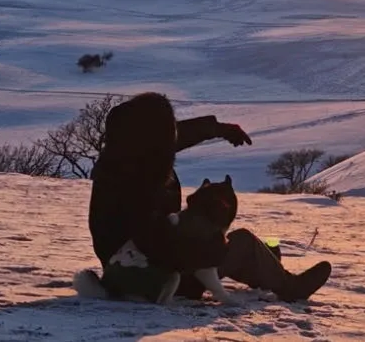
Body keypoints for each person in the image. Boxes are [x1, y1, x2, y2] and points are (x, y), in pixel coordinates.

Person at [85, 92, 331, 302]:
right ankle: (289, 287)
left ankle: (264, 266)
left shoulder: (129, 155)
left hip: (132, 270)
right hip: (153, 277)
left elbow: (178, 135)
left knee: (230, 242)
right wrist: (214, 248)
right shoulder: (135, 181)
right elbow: (155, 243)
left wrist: (220, 129)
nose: (173, 133)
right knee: (242, 243)